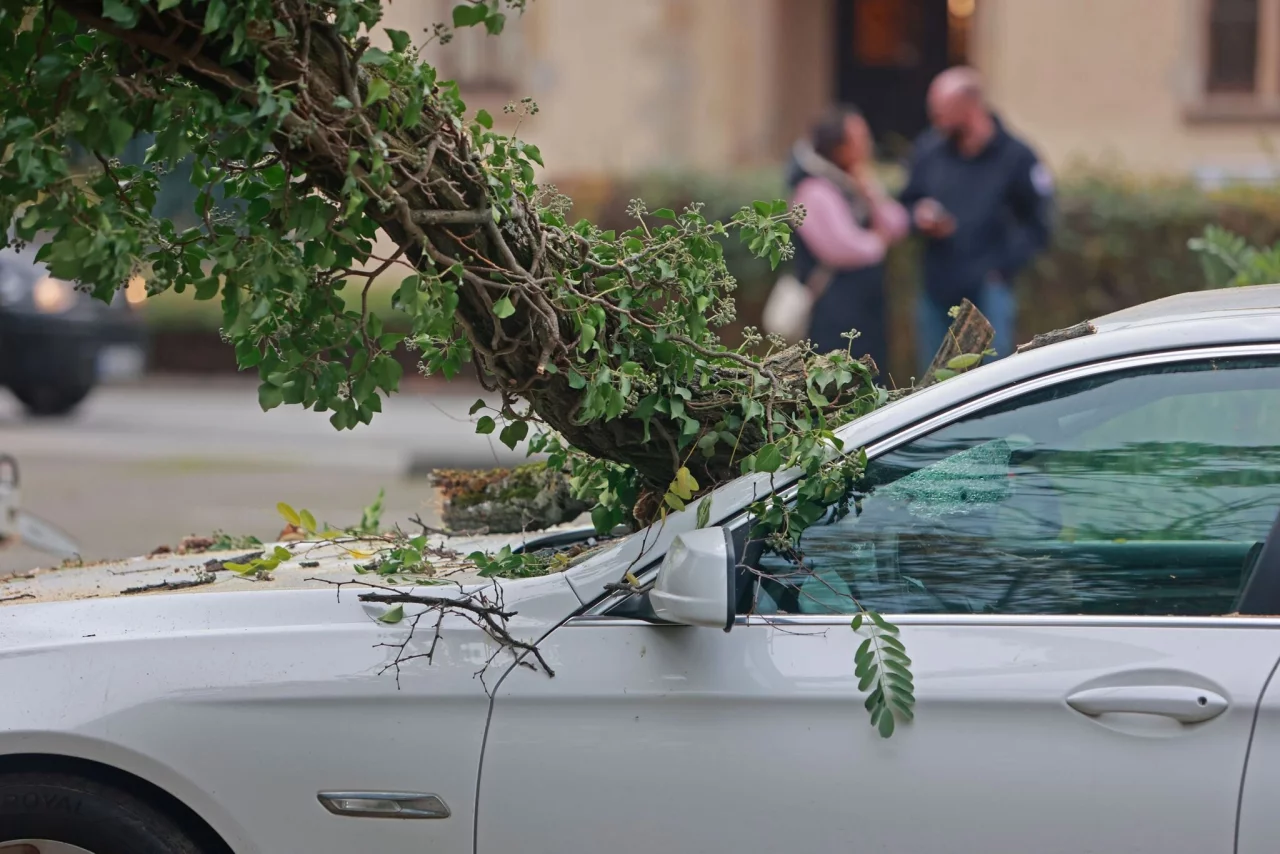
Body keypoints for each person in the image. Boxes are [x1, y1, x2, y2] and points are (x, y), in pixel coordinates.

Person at [900, 66, 1054, 374]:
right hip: (936, 287)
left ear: (969, 106)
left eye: (941, 112)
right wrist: (919, 218)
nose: (935, 120)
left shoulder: (1016, 156)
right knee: (935, 382)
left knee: (992, 379)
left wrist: (1001, 268)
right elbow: (906, 202)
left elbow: (1039, 223)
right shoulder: (929, 151)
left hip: (988, 291)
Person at [786, 105, 909, 374]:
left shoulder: (855, 181)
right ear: (838, 147)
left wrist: (871, 192)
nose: (867, 146)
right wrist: (878, 242)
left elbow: (897, 224)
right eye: (859, 139)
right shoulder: (813, 189)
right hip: (834, 311)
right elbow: (840, 248)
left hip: (867, 308)